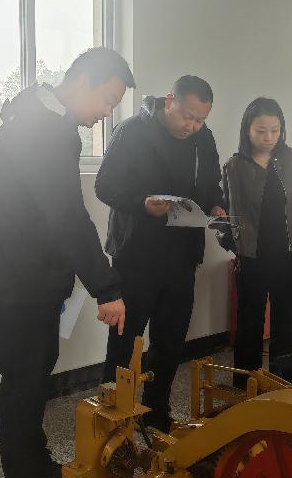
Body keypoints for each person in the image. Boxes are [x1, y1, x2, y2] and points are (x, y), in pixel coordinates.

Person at [0, 47, 134, 478]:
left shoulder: (47, 121)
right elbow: (65, 216)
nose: (106, 112)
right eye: (107, 99)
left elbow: (56, 215)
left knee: (33, 381)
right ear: (83, 82)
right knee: (21, 391)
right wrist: (107, 287)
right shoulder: (42, 129)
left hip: (33, 282)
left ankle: (37, 464)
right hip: (17, 286)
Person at [95, 75, 225, 432]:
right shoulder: (131, 131)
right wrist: (141, 203)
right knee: (124, 343)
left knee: (169, 342)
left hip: (182, 256)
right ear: (169, 101)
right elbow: (104, 185)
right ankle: (111, 421)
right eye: (187, 116)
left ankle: (156, 413)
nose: (191, 126)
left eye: (200, 120)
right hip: (136, 256)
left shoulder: (203, 139)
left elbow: (211, 184)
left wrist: (216, 206)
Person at [222, 97, 292, 385]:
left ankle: (283, 385)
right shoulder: (234, 167)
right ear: (247, 130)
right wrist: (232, 244)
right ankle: (246, 387)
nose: (268, 137)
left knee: (285, 325)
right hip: (251, 258)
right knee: (249, 326)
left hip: (288, 256)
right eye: (261, 131)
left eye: (275, 130)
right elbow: (224, 212)